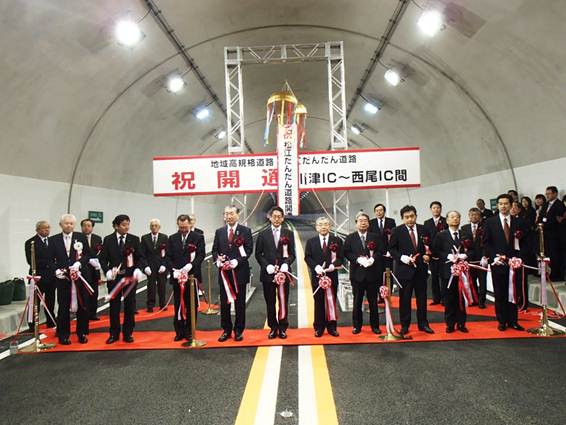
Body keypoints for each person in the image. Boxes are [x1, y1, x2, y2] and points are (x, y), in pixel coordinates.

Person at [99, 215, 146, 344]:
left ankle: (128, 332)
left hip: (129, 277)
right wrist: (107, 270)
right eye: (123, 224)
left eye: (128, 224)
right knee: (114, 306)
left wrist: (139, 269)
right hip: (114, 278)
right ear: (116, 226)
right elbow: (102, 258)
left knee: (130, 305)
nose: (126, 227)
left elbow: (141, 257)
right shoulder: (108, 240)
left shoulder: (134, 239)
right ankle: (114, 333)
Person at [389, 205, 434, 335]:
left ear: (416, 216)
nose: (410, 219)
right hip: (404, 270)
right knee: (405, 299)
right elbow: (392, 249)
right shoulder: (396, 231)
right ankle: (405, 325)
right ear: (402, 218)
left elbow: (429, 247)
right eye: (407, 217)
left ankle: (423, 324)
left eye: (412, 216)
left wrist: (428, 255)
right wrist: (402, 258)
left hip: (420, 270)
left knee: (422, 299)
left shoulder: (423, 229)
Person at [483, 194, 524, 331]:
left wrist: (519, 257)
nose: (503, 206)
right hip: (498, 263)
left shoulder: (519, 222)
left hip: (514, 263)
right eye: (500, 203)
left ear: (511, 205)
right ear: (497, 206)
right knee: (500, 292)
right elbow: (486, 243)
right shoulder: (490, 222)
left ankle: (513, 320)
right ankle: (502, 320)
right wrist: (493, 257)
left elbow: (524, 242)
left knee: (513, 292)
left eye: (506, 203)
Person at [49, 214, 93, 344]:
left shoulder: (81, 237)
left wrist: (79, 263)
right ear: (60, 225)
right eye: (66, 223)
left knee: (82, 305)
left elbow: (87, 254)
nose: (69, 225)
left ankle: (82, 333)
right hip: (63, 278)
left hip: (80, 276)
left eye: (71, 223)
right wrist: (56, 270)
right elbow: (50, 259)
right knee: (63, 306)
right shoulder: (53, 240)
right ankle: (63, 334)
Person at [212, 205, 253, 342]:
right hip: (224, 274)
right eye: (226, 214)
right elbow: (214, 250)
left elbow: (248, 250)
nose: (228, 216)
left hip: (239, 272)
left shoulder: (245, 231)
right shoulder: (219, 232)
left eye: (231, 213)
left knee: (240, 303)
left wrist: (237, 261)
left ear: (237, 215)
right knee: (225, 304)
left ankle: (239, 330)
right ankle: (226, 330)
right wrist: (218, 260)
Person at [254, 206, 296, 339]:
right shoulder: (263, 234)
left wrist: (286, 263)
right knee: (270, 301)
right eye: (274, 216)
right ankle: (273, 327)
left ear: (283, 218)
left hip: (284, 273)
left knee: (283, 300)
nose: (277, 219)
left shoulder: (288, 233)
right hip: (268, 273)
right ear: (270, 217)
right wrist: (267, 266)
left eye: (279, 217)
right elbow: (258, 254)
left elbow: (292, 253)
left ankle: (283, 327)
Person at [166, 214, 205, 342]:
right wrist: (173, 270)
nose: (183, 229)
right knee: (178, 304)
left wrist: (190, 266)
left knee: (191, 304)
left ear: (190, 224)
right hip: (177, 277)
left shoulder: (198, 237)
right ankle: (179, 331)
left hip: (191, 276)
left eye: (185, 227)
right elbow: (168, 256)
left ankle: (190, 330)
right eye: (180, 227)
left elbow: (201, 255)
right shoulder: (172, 238)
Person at [344, 211, 384, 334]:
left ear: (368, 223)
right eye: (360, 221)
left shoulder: (375, 236)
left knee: (373, 302)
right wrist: (357, 259)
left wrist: (373, 259)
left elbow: (380, 250)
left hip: (372, 274)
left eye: (365, 221)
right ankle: (357, 326)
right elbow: (346, 253)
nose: (363, 223)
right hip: (357, 275)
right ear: (356, 223)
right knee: (357, 302)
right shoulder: (350, 237)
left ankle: (375, 326)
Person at [304, 217, 344, 337]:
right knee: (319, 301)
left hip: (332, 276)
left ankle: (332, 327)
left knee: (331, 301)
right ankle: (319, 327)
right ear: (316, 227)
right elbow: (307, 257)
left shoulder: (337, 241)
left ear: (330, 226)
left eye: (326, 224)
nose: (323, 227)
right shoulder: (311, 241)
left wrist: (334, 265)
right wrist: (315, 267)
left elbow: (341, 257)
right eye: (320, 225)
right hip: (317, 277)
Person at [433, 211, 470, 333]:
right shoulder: (441, 235)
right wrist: (448, 256)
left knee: (461, 298)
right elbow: (436, 251)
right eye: (452, 217)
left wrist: (465, 255)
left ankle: (461, 323)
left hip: (463, 273)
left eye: (457, 217)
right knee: (449, 299)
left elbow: (474, 250)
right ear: (447, 220)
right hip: (447, 272)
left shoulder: (465, 234)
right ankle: (450, 324)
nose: (455, 219)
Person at [24, 220, 57, 329]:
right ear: (37, 230)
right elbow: (31, 260)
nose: (46, 230)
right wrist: (49, 264)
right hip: (37, 277)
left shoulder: (52, 241)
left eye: (48, 227)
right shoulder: (30, 242)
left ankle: (51, 320)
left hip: (51, 277)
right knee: (35, 302)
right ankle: (32, 323)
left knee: (50, 300)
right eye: (44, 228)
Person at [461, 208, 487, 308]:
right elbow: (462, 243)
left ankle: (482, 301)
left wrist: (485, 256)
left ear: (480, 216)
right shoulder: (464, 228)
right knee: (472, 280)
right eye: (472, 215)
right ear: (469, 216)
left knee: (482, 281)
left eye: (476, 215)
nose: (474, 216)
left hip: (481, 259)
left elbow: (486, 243)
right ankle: (475, 299)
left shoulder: (485, 227)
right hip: (470, 259)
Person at [141, 219, 169, 312]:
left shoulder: (164, 237)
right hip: (150, 266)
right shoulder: (144, 238)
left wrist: (164, 265)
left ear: (159, 227)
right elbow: (142, 254)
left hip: (161, 265)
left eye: (156, 225)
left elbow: (168, 253)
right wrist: (145, 266)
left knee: (162, 286)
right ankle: (150, 305)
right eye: (152, 225)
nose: (154, 227)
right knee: (151, 286)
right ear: (150, 227)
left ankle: (162, 304)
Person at [423, 201, 446, 305]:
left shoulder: (445, 221)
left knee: (444, 277)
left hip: (443, 253)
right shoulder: (427, 223)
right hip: (432, 254)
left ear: (441, 209)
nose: (436, 209)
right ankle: (436, 299)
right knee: (434, 278)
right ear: (431, 210)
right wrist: (427, 252)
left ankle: (445, 299)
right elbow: (425, 238)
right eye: (434, 208)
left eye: (438, 208)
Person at [541, 186, 565, 281]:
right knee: (549, 255)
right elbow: (542, 216)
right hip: (546, 235)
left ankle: (557, 275)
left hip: (555, 235)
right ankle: (550, 274)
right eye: (546, 194)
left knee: (556, 255)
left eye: (549, 193)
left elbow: (558, 220)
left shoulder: (560, 204)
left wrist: (546, 223)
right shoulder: (546, 204)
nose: (547, 195)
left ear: (555, 194)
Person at [81, 218, 103, 321]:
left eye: (89, 225)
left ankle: (93, 313)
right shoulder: (78, 238)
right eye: (84, 225)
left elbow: (100, 253)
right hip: (82, 269)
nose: (86, 227)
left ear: (92, 227)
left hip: (94, 269)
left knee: (94, 293)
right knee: (83, 293)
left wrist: (97, 262)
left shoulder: (97, 238)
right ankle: (83, 313)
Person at [368, 203, 396, 272]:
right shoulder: (371, 222)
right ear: (375, 212)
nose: (379, 212)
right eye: (377, 211)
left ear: (384, 211)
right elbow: (369, 238)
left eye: (380, 210)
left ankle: (388, 283)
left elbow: (394, 237)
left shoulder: (391, 221)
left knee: (388, 275)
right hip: (376, 252)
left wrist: (391, 251)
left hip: (388, 253)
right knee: (377, 274)